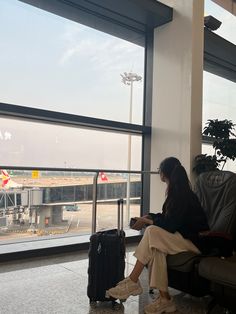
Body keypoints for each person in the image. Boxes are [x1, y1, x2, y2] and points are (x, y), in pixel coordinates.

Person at [106, 157, 209, 314]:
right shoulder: (177, 191)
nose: (158, 173)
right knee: (156, 248)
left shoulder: (182, 194)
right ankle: (165, 299)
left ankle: (133, 281)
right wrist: (148, 217)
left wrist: (149, 222)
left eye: (159, 170)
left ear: (164, 173)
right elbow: (168, 218)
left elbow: (171, 225)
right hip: (182, 237)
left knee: (152, 231)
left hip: (195, 241)